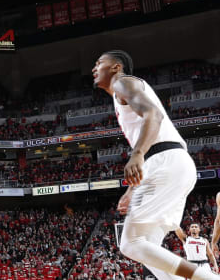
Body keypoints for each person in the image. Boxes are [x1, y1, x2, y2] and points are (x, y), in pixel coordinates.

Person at [92, 50, 217, 280]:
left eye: (99, 63)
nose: (94, 68)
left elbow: (154, 115)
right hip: (170, 164)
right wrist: (132, 189)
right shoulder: (120, 95)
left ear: (116, 67)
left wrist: (137, 153)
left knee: (129, 243)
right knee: (148, 247)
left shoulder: (123, 82)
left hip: (164, 161)